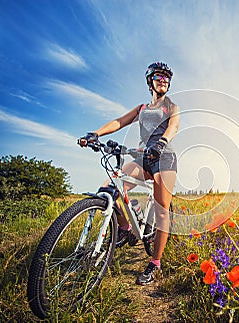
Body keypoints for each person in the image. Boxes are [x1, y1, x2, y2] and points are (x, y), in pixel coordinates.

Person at [79, 62, 179, 285]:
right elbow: (119, 122)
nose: (162, 80)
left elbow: (174, 127)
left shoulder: (171, 107)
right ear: (150, 80)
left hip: (164, 158)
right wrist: (95, 134)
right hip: (142, 157)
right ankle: (125, 228)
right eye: (158, 76)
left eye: (166, 77)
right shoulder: (141, 108)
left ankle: (154, 262)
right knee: (108, 188)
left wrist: (162, 142)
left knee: (162, 211)